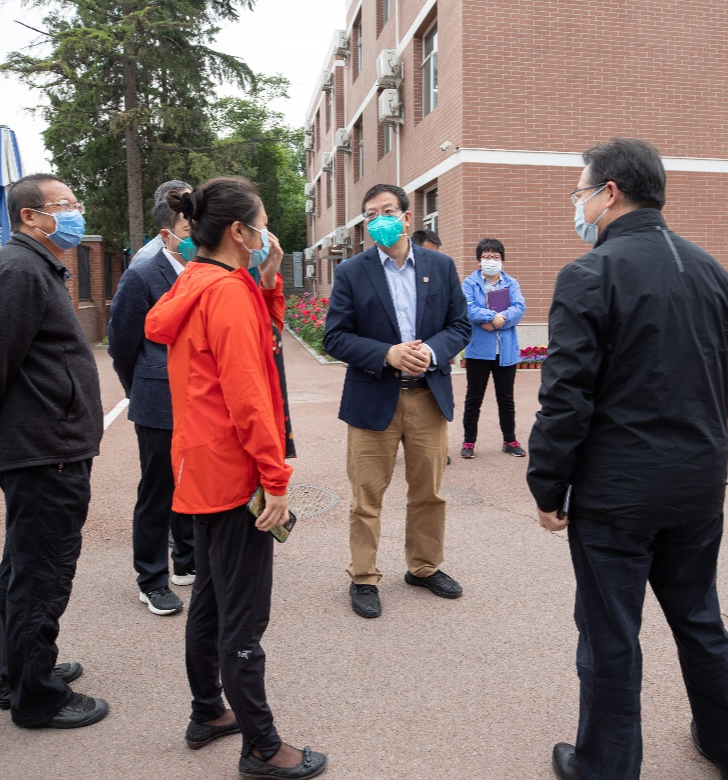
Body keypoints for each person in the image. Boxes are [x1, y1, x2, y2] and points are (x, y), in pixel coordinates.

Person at [527, 139, 728, 780]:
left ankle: (605, 765)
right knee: (699, 619)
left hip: (617, 493)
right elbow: (719, 379)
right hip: (698, 483)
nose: (577, 204)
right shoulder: (714, 272)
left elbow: (565, 397)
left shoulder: (589, 274)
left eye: (580, 191)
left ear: (610, 193)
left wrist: (547, 485)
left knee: (610, 635)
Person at [145, 177, 327, 780]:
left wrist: (269, 278)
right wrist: (276, 477)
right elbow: (249, 394)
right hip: (234, 469)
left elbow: (261, 340)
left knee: (212, 599)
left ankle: (208, 711)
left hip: (203, 465)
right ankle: (262, 745)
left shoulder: (201, 280)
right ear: (239, 231)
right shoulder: (225, 292)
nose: (269, 233)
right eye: (263, 224)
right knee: (243, 614)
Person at [0, 173, 108, 729]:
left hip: (49, 443)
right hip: (45, 448)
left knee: (26, 565)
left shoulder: (33, 266)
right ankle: (36, 696)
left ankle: (19, 671)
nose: (76, 212)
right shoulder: (19, 270)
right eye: (65, 204)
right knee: (42, 572)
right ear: (29, 216)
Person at [322, 184, 472, 620]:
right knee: (366, 496)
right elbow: (335, 336)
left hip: (427, 398)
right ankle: (363, 576)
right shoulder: (352, 271)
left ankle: (424, 567)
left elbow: (460, 325)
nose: (379, 220)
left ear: (408, 217)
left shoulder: (441, 266)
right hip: (373, 398)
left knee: (429, 493)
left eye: (387, 211)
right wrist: (385, 353)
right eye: (370, 215)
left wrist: (434, 351)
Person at [107, 180, 194, 618]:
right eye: (188, 228)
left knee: (194, 482)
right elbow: (121, 343)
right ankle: (152, 578)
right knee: (158, 489)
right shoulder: (143, 274)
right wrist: (139, 388)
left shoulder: (207, 273)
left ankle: (188, 561)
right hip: (159, 399)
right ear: (167, 234)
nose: (197, 235)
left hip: (201, 401)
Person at [460, 238, 526, 459]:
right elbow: (468, 308)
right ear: (479, 260)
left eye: (495, 257)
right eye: (486, 256)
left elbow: (519, 307)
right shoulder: (470, 283)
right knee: (474, 398)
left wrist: (500, 321)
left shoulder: (511, 283)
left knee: (506, 398)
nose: (491, 260)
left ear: (502, 260)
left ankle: (510, 439)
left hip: (505, 350)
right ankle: (469, 441)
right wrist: (491, 316)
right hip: (479, 351)